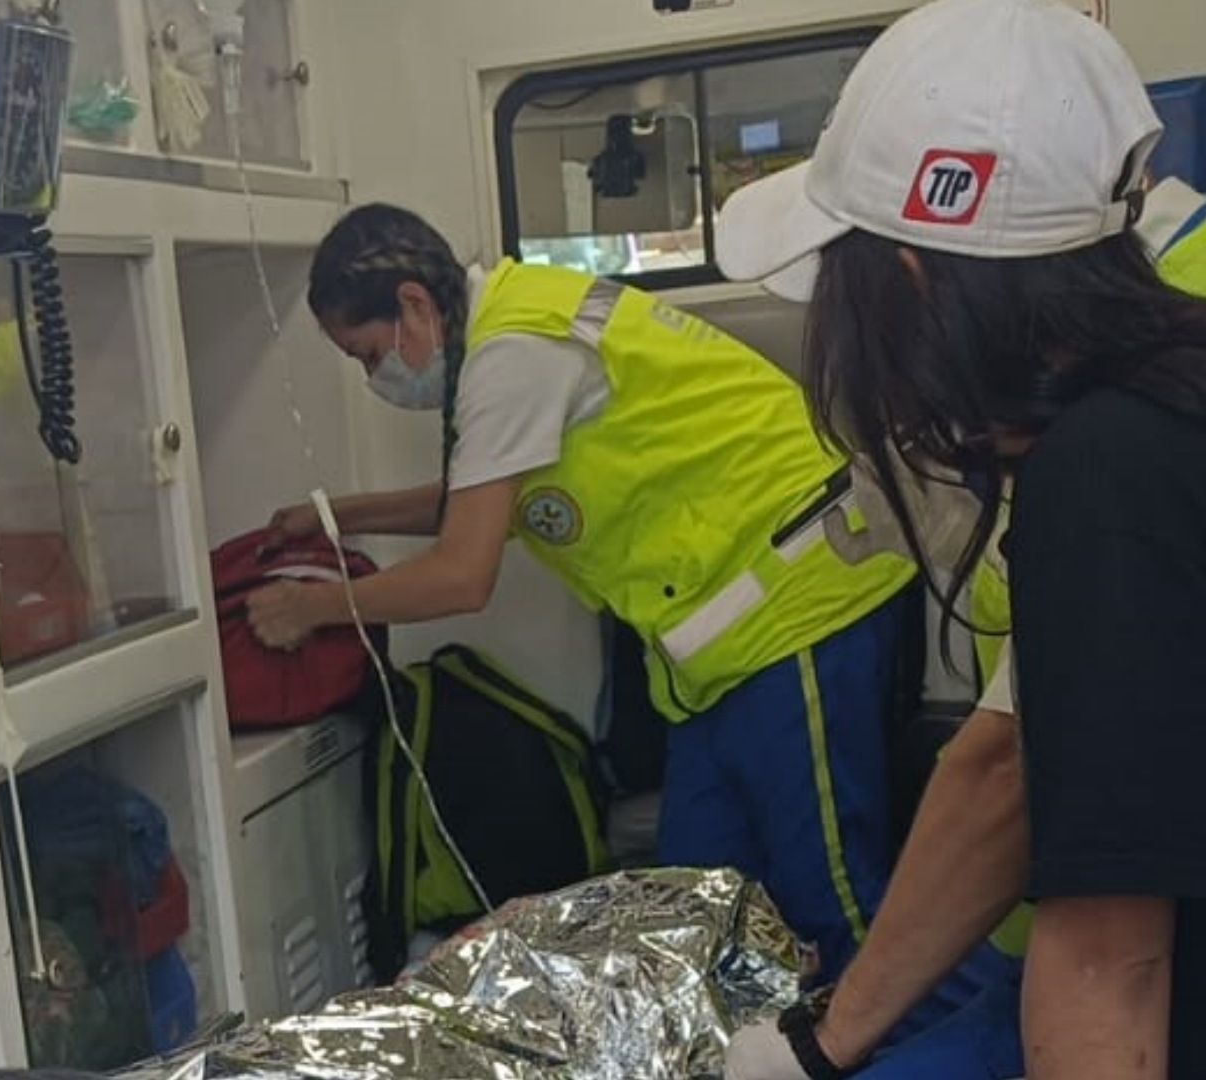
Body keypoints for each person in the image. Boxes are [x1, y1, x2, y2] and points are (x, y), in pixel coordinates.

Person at [247, 202, 929, 989]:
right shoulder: (515, 318)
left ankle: (921, 1050)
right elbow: (480, 498)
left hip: (799, 603)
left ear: (412, 304)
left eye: (369, 356)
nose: (377, 379)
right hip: (725, 651)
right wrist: (338, 517)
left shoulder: (513, 352)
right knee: (694, 913)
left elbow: (463, 572)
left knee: (835, 903)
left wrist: (313, 607)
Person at [712, 0, 1206, 1075]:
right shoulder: (1172, 398)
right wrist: (824, 1041)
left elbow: (1107, 962)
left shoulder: (1105, 475)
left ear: (913, 276)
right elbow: (1015, 766)